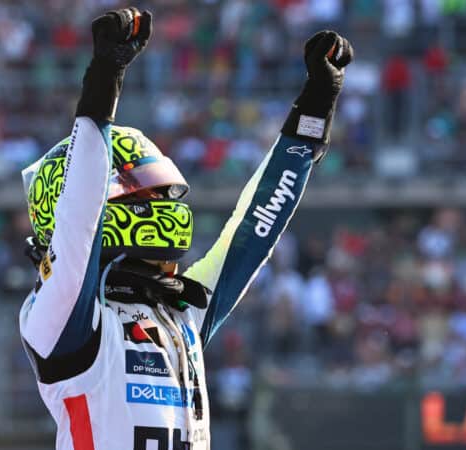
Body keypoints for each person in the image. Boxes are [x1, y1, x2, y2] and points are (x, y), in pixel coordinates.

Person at [18, 7, 353, 449]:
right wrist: (104, 79)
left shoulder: (179, 312)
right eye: (146, 192)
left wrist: (312, 115)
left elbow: (254, 232)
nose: (165, 205)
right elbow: (79, 217)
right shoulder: (58, 318)